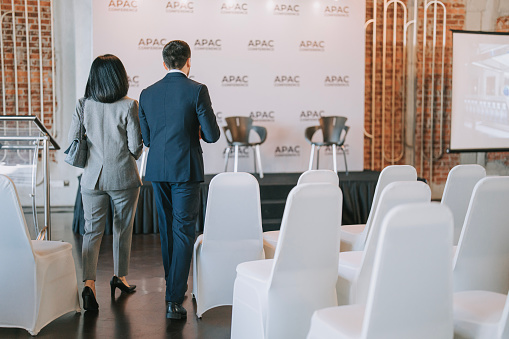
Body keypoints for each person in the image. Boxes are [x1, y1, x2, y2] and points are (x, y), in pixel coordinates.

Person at [138, 40, 220, 319]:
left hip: (158, 171)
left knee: (167, 229)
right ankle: (174, 298)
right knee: (184, 231)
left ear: (164, 64)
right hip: (185, 170)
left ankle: (173, 287)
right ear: (188, 62)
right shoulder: (197, 90)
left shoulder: (147, 93)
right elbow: (212, 135)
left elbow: (147, 139)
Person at [68, 54, 143, 311]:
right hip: (123, 177)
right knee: (122, 228)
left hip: (91, 178)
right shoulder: (129, 105)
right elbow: (135, 147)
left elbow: (73, 140)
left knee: (92, 232)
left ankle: (89, 284)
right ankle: (119, 277)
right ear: (119, 78)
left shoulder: (83, 105)